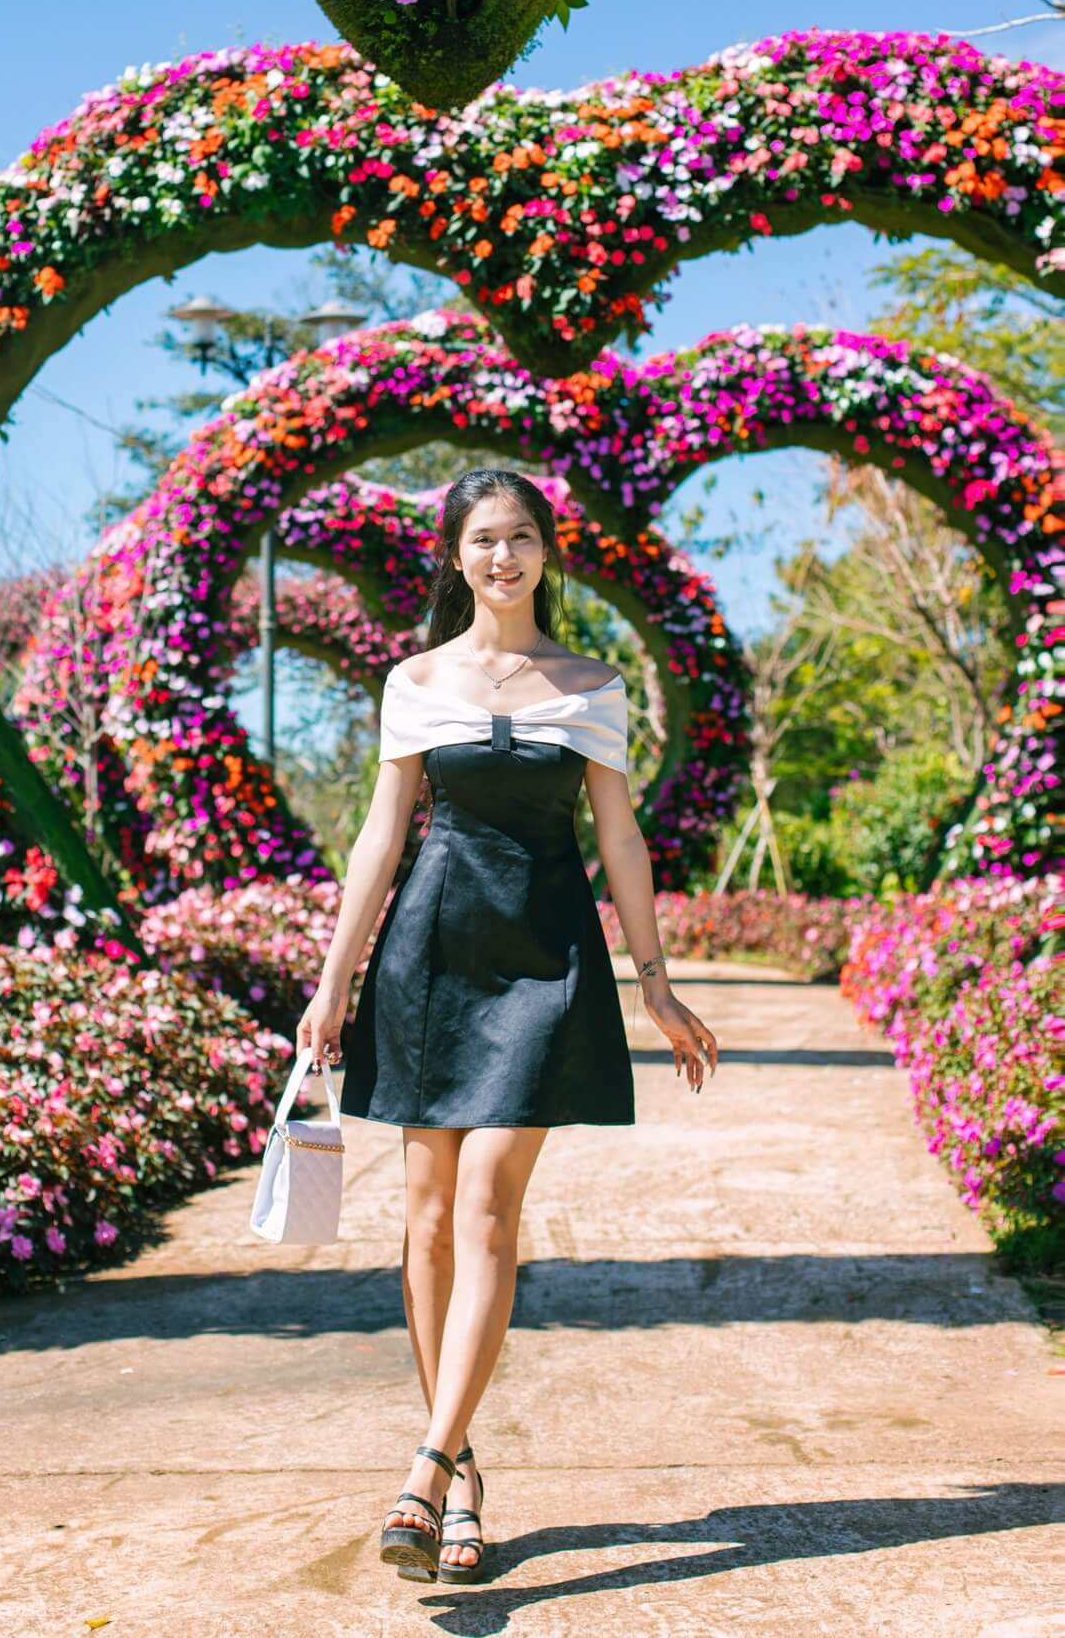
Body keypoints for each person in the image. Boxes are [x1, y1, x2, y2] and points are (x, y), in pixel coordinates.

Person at [295, 466, 719, 1586]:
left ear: (546, 552)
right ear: (453, 553)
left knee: (488, 1199)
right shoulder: (414, 679)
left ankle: (425, 1463)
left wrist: (655, 984)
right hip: (428, 953)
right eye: (483, 538)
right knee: (426, 1218)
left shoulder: (592, 683)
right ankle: (465, 1470)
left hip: (546, 955)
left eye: (522, 536)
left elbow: (620, 841)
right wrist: (332, 982)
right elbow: (380, 838)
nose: (503, 556)